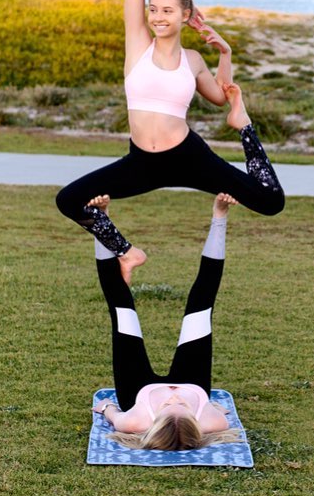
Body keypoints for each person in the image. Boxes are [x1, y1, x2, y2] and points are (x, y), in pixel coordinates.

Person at [56, 0, 285, 282]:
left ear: (184, 16)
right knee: (68, 200)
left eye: (167, 11)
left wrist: (226, 54)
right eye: (153, 9)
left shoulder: (192, 60)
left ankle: (244, 125)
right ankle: (128, 253)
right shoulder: (138, 45)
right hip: (141, 162)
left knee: (271, 200)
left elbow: (220, 96)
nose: (158, 17)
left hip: (190, 158)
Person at [91, 192, 242, 451]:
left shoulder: (135, 421)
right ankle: (219, 216)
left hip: (136, 385)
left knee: (121, 307)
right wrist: (204, 404)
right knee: (202, 302)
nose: (173, 395)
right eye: (182, 405)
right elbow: (216, 417)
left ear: (152, 422)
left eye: (166, 405)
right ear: (197, 420)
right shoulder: (212, 422)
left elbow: (111, 412)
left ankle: (101, 219)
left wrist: (106, 407)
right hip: (192, 380)